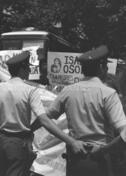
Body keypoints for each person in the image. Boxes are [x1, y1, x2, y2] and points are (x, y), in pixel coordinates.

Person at [0, 51, 87, 176]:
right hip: (19, 143)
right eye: (28, 67)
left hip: (0, 141)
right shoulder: (29, 91)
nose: (30, 70)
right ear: (22, 69)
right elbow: (44, 120)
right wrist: (71, 141)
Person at [45, 45, 126, 176]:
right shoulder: (108, 94)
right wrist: (104, 150)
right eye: (106, 66)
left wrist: (71, 141)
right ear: (101, 67)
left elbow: (45, 119)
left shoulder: (68, 91)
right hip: (100, 160)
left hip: (75, 158)